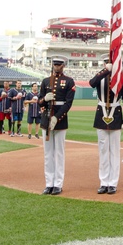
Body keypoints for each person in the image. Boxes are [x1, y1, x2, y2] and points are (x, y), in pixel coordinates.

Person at [89, 61, 123, 195]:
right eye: (106, 62)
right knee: (103, 151)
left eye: (110, 62)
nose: (108, 64)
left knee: (114, 151)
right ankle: (103, 182)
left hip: (116, 114)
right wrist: (106, 71)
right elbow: (92, 83)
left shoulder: (120, 78)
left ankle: (112, 183)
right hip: (101, 114)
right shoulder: (100, 75)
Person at [39, 56, 76, 195]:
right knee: (48, 154)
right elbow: (40, 102)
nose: (57, 66)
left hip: (60, 119)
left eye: (59, 64)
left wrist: (56, 117)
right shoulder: (45, 81)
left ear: (63, 65)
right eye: (55, 64)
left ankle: (58, 184)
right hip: (46, 119)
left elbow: (68, 103)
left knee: (59, 153)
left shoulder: (69, 81)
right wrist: (44, 99)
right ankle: (49, 183)